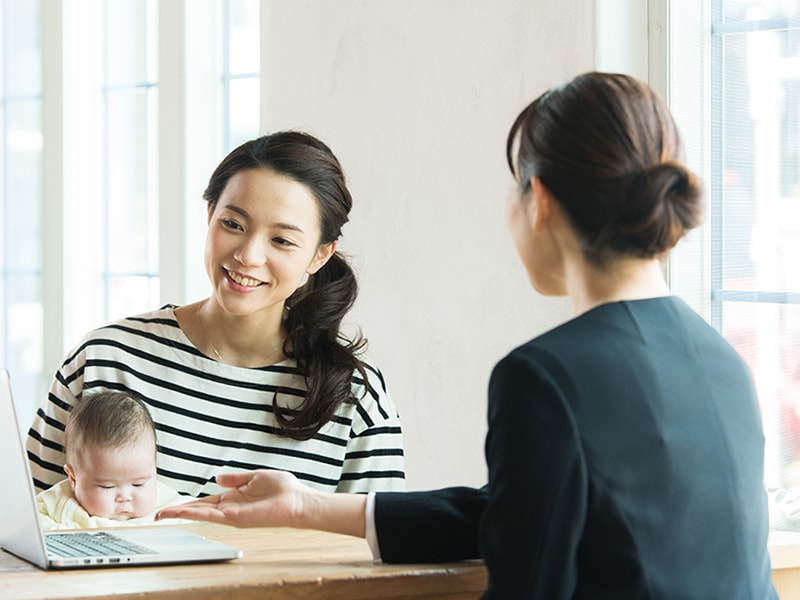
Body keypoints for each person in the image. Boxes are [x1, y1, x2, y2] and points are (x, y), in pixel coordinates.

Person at [156, 72, 777, 599]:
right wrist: (304, 507)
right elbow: (514, 512)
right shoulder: (721, 358)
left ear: (537, 201)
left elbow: (527, 577)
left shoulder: (546, 375)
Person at [27, 131, 405, 499]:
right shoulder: (105, 360)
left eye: (282, 240)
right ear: (210, 214)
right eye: (233, 224)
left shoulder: (355, 395)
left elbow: (375, 555)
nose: (248, 255)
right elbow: (25, 530)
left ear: (320, 254)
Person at [37, 390, 188, 530]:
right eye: (107, 486)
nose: (125, 497)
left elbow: (200, 524)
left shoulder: (168, 505)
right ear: (73, 478)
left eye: (138, 484)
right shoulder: (59, 502)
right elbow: (30, 526)